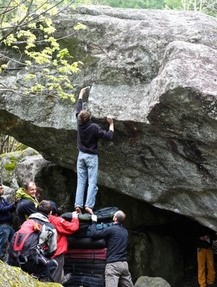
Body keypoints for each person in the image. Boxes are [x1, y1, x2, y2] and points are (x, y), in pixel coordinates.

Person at [74, 86, 114, 215]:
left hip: (81, 156)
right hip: (91, 157)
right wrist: (111, 124)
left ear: (80, 118)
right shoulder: (94, 127)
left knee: (81, 181)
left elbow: (78, 109)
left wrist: (81, 94)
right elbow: (108, 136)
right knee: (92, 183)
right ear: (90, 118)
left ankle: (78, 204)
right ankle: (89, 205)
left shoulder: (79, 123)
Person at [9, 200, 58, 281]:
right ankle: (36, 277)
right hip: (31, 261)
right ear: (50, 213)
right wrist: (43, 253)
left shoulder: (27, 222)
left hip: (15, 258)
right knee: (53, 264)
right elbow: (52, 251)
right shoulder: (49, 227)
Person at [90, 210, 133, 287]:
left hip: (113, 264)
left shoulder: (111, 229)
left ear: (115, 219)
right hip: (124, 264)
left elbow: (94, 234)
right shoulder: (125, 231)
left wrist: (93, 221)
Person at [48, 201, 79, 283]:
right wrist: (75, 218)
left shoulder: (40, 220)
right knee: (55, 278)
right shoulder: (57, 221)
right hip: (57, 252)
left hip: (44, 253)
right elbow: (73, 228)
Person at [0, 183, 17, 262]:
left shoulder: (3, 199)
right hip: (3, 225)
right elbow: (3, 209)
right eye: (0, 188)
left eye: (3, 188)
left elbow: (10, 209)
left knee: (14, 242)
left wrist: (16, 204)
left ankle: (9, 262)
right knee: (2, 245)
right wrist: (14, 204)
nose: (3, 190)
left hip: (8, 225)